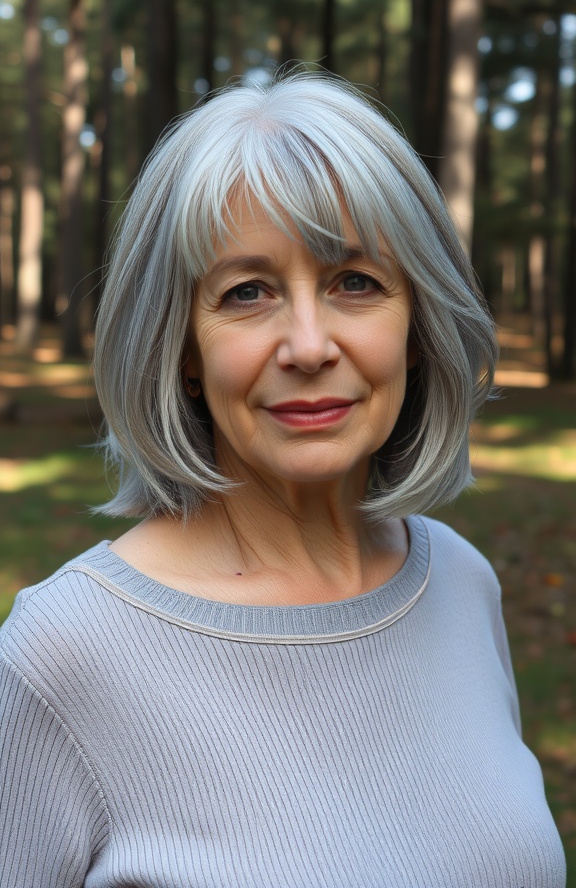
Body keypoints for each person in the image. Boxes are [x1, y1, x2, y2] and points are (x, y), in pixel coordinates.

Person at [0, 71, 566, 888]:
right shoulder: (62, 658)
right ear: (183, 352)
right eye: (248, 292)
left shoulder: (460, 583)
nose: (307, 345)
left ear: (416, 329)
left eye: (356, 283)